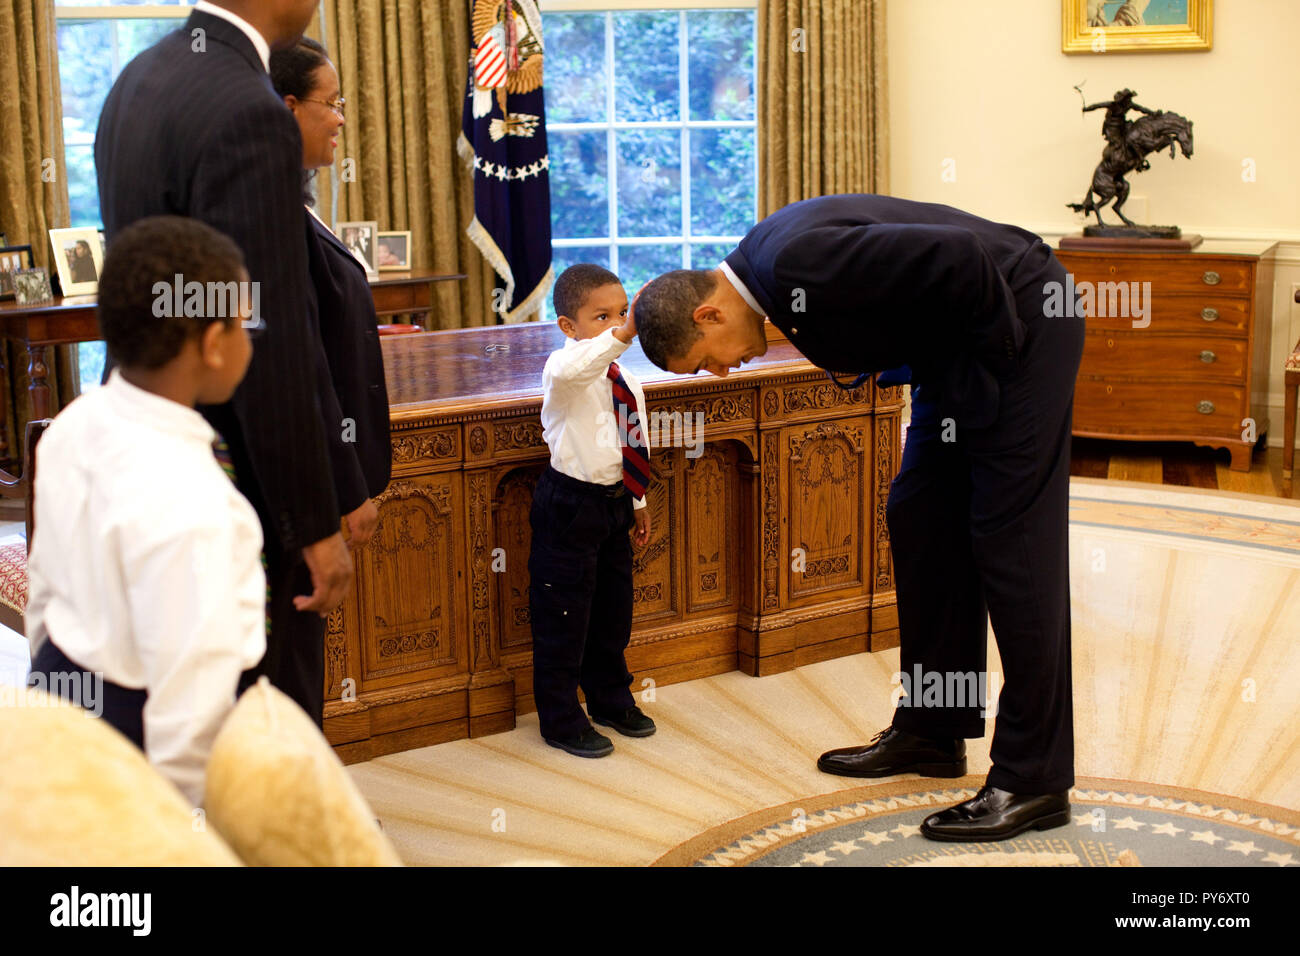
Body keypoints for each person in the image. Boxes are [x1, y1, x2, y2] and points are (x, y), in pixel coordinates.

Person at [633, 194, 1085, 842]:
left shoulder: (796, 263)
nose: (721, 369)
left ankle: (1034, 779)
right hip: (962, 347)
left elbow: (965, 257)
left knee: (1013, 544)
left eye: (706, 358)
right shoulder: (770, 272)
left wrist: (995, 377)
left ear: (708, 312)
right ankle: (934, 727)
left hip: (1021, 325)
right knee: (922, 518)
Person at [95, 0, 353, 726]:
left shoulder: (138, 78)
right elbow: (266, 336)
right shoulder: (249, 107)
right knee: (265, 724)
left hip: (149, 445)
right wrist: (313, 521)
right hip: (237, 479)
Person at [26, 216, 263, 807]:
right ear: (212, 343)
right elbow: (191, 702)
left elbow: (44, 589)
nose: (250, 337)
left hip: (61, 686)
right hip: (142, 731)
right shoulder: (197, 502)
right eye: (243, 324)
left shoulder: (73, 424)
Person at [530, 264, 654, 758]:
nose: (615, 323)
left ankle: (609, 697)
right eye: (601, 316)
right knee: (564, 614)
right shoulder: (563, 373)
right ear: (568, 326)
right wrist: (623, 333)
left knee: (612, 610)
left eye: (622, 313)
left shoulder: (624, 378)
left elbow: (633, 439)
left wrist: (638, 501)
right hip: (569, 505)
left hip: (614, 505)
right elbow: (576, 367)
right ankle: (560, 718)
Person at [270, 37, 389, 552]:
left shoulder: (295, 200)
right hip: (314, 488)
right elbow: (302, 366)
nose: (341, 118)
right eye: (332, 102)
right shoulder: (271, 217)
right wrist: (347, 489)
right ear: (289, 107)